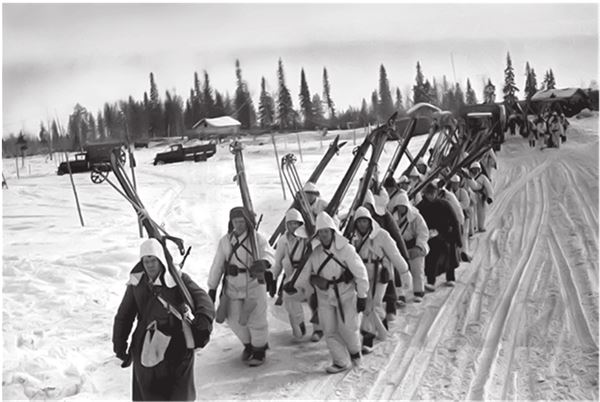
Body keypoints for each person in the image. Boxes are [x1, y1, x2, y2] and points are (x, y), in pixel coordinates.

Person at [113, 238, 215, 401]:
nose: (150, 265)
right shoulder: (136, 283)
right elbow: (124, 316)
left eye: (153, 260)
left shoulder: (177, 278)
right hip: (145, 345)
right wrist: (120, 344)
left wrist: (203, 319)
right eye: (146, 261)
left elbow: (202, 299)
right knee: (149, 394)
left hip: (177, 345)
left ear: (160, 259)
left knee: (179, 395)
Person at [296, 211, 369, 374]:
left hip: (346, 294)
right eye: (321, 232)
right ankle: (340, 361)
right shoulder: (314, 253)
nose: (324, 235)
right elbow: (305, 274)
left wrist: (362, 295)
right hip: (324, 296)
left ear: (332, 231)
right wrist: (299, 287)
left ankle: (355, 354)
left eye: (326, 231)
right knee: (329, 330)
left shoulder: (346, 249)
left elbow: (360, 273)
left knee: (349, 328)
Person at [207, 207, 275, 366]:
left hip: (254, 283)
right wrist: (212, 287)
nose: (239, 225)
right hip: (233, 284)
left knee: (256, 319)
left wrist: (264, 263)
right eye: (236, 221)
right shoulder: (225, 241)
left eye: (242, 221)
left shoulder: (257, 239)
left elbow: (269, 254)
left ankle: (259, 350)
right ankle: (249, 344)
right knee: (233, 319)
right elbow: (218, 264)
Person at [351, 207, 412, 353]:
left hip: (380, 274)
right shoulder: (352, 238)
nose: (362, 225)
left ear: (370, 221)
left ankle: (368, 338)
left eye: (365, 221)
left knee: (374, 303)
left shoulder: (382, 235)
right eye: (359, 221)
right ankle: (382, 325)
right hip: (363, 275)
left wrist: (404, 272)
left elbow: (394, 254)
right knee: (369, 305)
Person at [271, 208, 322, 341]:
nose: (293, 226)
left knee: (315, 301)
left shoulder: (309, 237)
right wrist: (273, 278)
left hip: (309, 276)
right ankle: (299, 324)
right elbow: (278, 261)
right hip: (292, 277)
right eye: (290, 223)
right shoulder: (283, 240)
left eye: (295, 223)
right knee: (289, 299)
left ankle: (318, 329)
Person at [417, 182, 462, 291]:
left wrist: (458, 238)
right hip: (430, 236)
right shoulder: (421, 207)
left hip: (446, 234)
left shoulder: (445, 204)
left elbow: (455, 221)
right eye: (428, 194)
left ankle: (450, 277)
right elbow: (417, 221)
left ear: (436, 193)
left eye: (433, 193)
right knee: (431, 258)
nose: (431, 196)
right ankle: (431, 281)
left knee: (450, 255)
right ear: (425, 194)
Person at [388, 192, 429, 302]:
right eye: (399, 206)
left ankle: (418, 291)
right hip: (401, 247)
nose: (401, 208)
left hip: (414, 245)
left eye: (403, 206)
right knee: (400, 270)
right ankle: (400, 294)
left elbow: (423, 232)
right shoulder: (392, 218)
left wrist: (418, 246)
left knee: (417, 269)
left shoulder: (416, 217)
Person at [448, 174, 472, 262]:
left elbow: (466, 203)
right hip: (453, 217)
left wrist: (456, 206)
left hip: (464, 216)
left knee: (464, 234)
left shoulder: (463, 192)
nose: (455, 185)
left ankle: (464, 253)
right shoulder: (449, 193)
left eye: (456, 183)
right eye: (453, 183)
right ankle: (457, 255)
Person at [466, 162, 493, 233]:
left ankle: (481, 226)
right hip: (471, 195)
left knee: (481, 212)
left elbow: (488, 187)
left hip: (480, 196)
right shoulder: (468, 176)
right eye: (474, 169)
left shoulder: (483, 177)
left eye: (477, 169)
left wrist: (490, 196)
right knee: (472, 212)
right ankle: (473, 227)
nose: (476, 171)